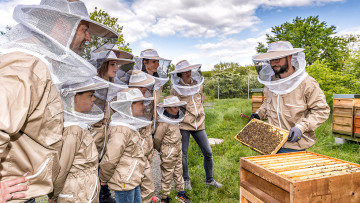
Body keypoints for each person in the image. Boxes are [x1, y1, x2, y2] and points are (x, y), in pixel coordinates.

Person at [0, 0, 118, 200]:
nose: (89, 38)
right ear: (63, 25)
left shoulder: (38, 65)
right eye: (84, 30)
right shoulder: (26, 66)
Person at [251, 41, 330, 153]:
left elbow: (321, 110)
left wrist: (301, 127)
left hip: (293, 145)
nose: (274, 63)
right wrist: (259, 114)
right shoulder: (271, 83)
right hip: (270, 141)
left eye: (278, 59)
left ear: (289, 57)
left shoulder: (307, 83)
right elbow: (268, 102)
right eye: (272, 60)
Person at [50, 79, 108, 203]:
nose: (94, 99)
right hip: (76, 194)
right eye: (90, 95)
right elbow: (62, 167)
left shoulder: (79, 126)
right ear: (74, 98)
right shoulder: (73, 130)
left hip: (84, 192)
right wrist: (54, 196)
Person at [170, 60, 222, 189]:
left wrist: (200, 114)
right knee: (183, 155)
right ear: (180, 74)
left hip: (199, 124)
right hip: (184, 125)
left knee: (208, 152)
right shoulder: (175, 90)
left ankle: (210, 180)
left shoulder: (198, 85)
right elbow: (173, 108)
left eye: (189, 71)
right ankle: (186, 181)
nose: (188, 73)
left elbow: (200, 102)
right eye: (185, 72)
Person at [90, 49, 134, 203]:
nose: (117, 68)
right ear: (103, 65)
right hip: (92, 141)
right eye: (113, 64)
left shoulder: (115, 87)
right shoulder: (90, 86)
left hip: (107, 141)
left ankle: (104, 192)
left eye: (117, 64)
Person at [99, 88, 154, 203]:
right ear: (129, 105)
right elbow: (110, 159)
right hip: (124, 183)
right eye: (141, 103)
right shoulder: (120, 130)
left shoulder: (128, 126)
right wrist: (103, 180)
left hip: (132, 180)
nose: (144, 107)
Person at [153, 96, 191, 203]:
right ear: (167, 108)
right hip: (168, 149)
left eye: (178, 107)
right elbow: (157, 138)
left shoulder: (175, 118)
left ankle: (181, 193)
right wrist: (163, 149)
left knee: (179, 170)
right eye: (174, 107)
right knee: (167, 173)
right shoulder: (164, 122)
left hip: (178, 147)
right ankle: (165, 197)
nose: (177, 109)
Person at [128, 70, 158, 203]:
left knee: (144, 180)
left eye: (145, 86)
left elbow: (150, 124)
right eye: (141, 86)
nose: (144, 89)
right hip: (136, 147)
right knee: (146, 184)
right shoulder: (128, 103)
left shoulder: (147, 99)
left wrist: (150, 146)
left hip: (146, 142)